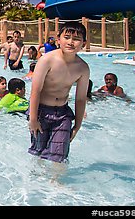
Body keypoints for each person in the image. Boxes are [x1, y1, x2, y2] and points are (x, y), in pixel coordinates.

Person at [27, 21, 90, 164]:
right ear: (58, 39)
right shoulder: (46, 60)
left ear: (84, 44)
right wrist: (33, 119)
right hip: (41, 112)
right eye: (66, 37)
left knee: (59, 155)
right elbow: (35, 91)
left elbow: (80, 99)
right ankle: (36, 181)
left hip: (62, 115)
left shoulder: (82, 68)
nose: (71, 42)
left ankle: (57, 182)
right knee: (38, 151)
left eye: (76, 39)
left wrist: (77, 126)